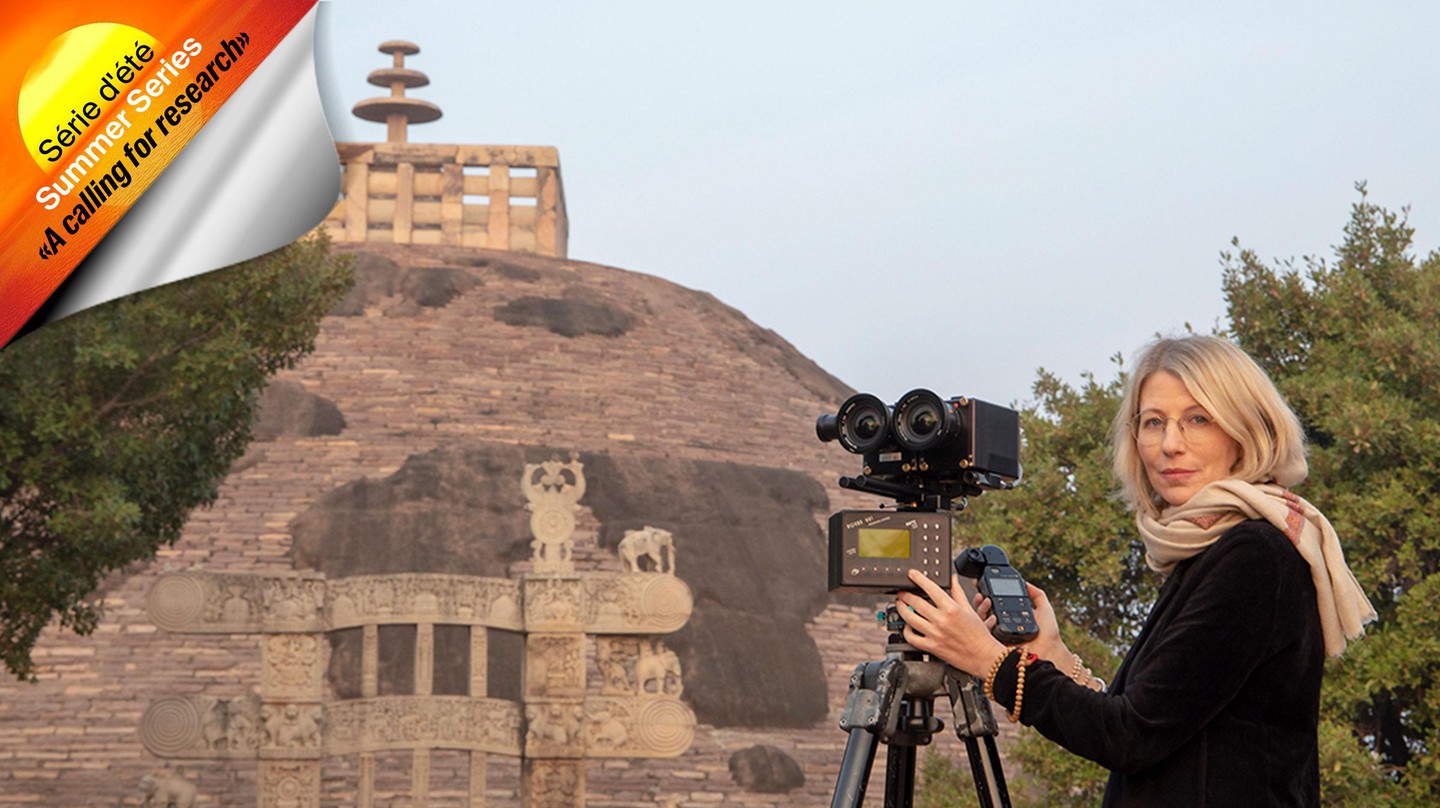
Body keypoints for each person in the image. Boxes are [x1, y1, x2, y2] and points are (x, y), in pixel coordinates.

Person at [895, 335, 1376, 806]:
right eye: (1153, 422)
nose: (1170, 444)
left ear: (1246, 430)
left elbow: (1129, 737)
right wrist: (1054, 654)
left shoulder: (1254, 555)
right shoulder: (1213, 548)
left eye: (1198, 419)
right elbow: (1147, 721)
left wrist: (986, 660)